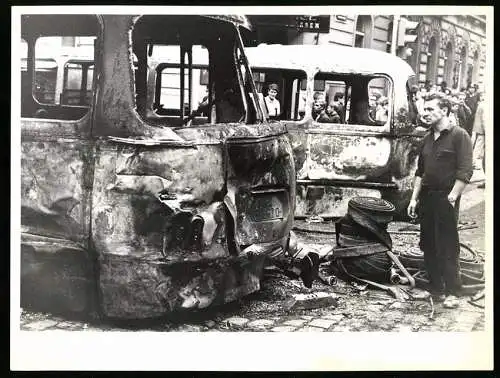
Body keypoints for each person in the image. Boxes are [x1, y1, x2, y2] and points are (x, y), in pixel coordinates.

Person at [407, 93, 473, 308]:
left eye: (429, 109)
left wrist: (452, 197)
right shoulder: (427, 138)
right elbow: (420, 172)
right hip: (426, 197)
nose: (424, 113)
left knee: (447, 245)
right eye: (423, 109)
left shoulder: (459, 136)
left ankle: (454, 290)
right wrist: (413, 200)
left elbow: (465, 171)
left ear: (444, 111)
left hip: (446, 197)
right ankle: (436, 289)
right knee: (428, 244)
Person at [471, 93, 485, 188]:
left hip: (480, 130)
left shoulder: (482, 104)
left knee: (478, 150)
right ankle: (471, 167)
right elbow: (484, 121)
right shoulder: (485, 105)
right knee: (477, 151)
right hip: (482, 132)